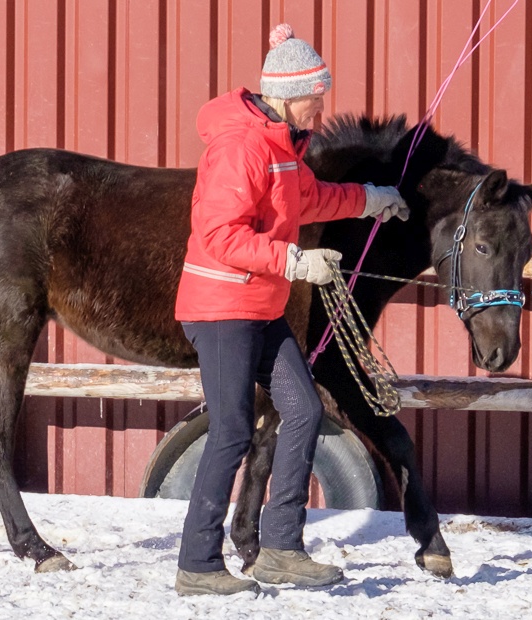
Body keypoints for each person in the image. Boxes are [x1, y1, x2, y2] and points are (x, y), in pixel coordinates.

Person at [172, 24, 410, 596]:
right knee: (230, 431)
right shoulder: (242, 147)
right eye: (316, 96)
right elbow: (218, 234)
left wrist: (369, 200)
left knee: (302, 410)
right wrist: (295, 262)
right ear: (285, 93)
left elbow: (310, 199)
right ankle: (197, 563)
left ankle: (280, 547)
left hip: (260, 306)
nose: (322, 107)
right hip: (222, 307)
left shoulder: (281, 147)